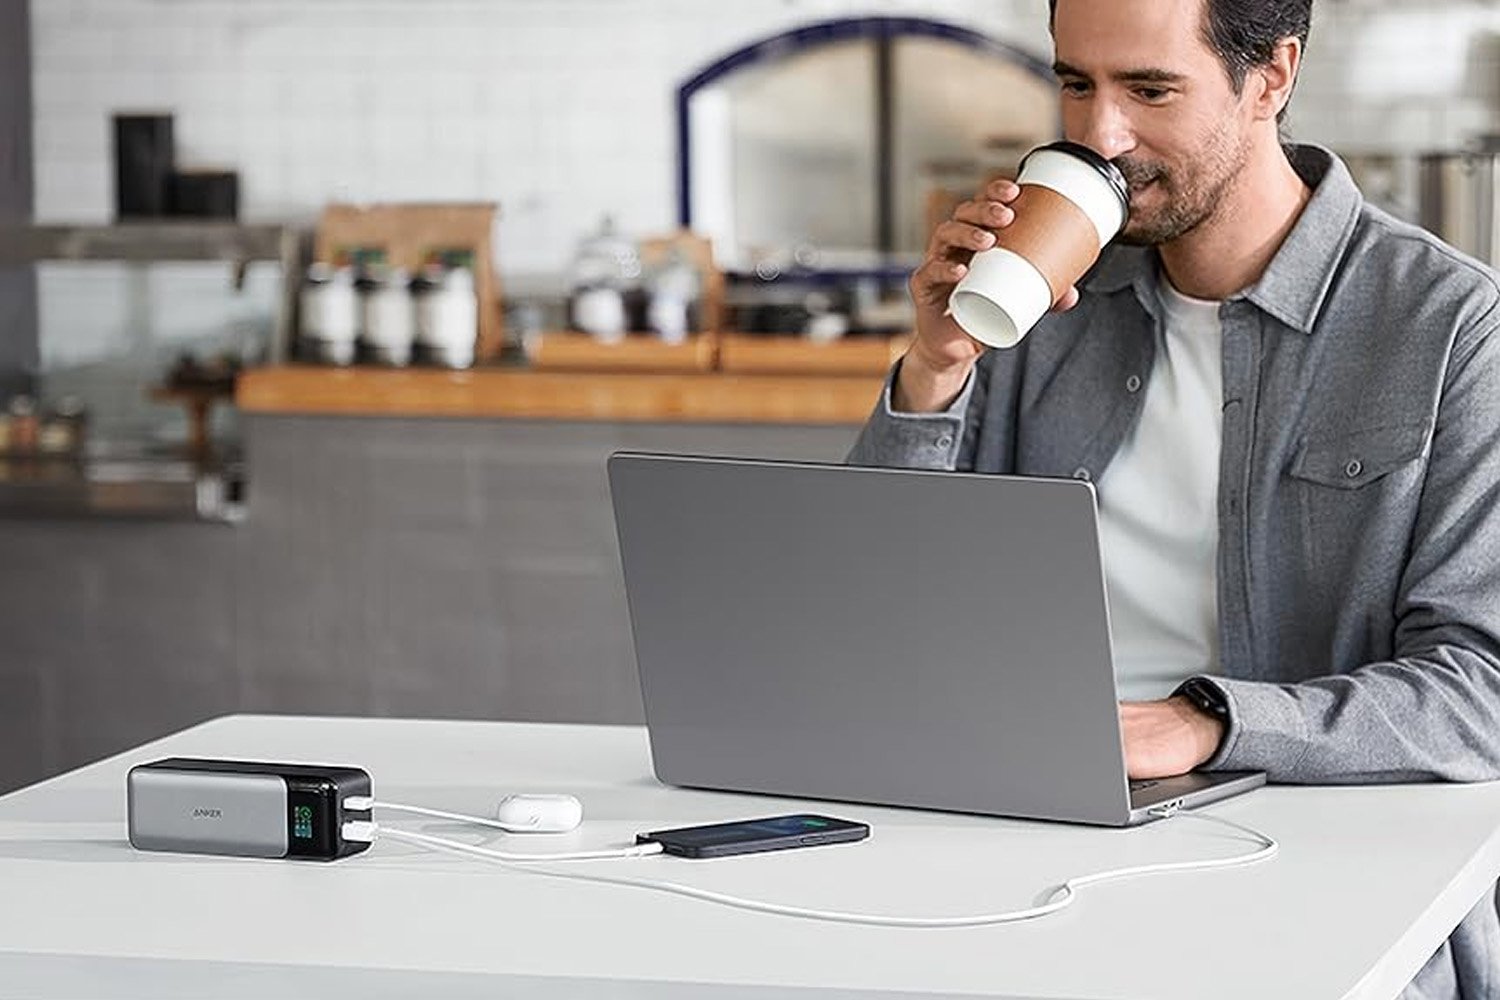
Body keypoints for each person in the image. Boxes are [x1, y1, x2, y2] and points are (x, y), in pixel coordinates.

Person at [848, 1, 1500, 996]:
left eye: (1149, 90)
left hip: (1320, 879)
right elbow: (875, 607)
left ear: (1271, 76)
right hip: (1024, 844)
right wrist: (937, 366)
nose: (1100, 135)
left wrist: (1209, 723)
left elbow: (1481, 691)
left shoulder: (1450, 325)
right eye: (1076, 84)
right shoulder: (1042, 302)